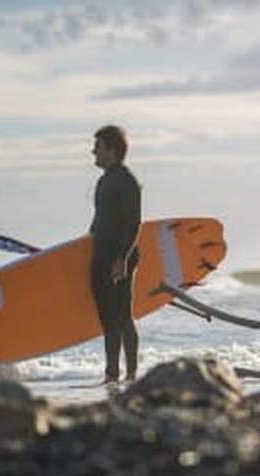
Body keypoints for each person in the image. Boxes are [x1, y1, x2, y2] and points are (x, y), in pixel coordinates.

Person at [89, 125, 141, 383]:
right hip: (101, 255)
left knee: (122, 316)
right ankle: (112, 373)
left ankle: (129, 374)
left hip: (119, 257)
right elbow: (101, 219)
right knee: (108, 318)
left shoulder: (126, 180)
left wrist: (122, 258)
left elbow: (134, 223)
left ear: (111, 150)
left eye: (97, 147)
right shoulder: (104, 180)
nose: (93, 152)